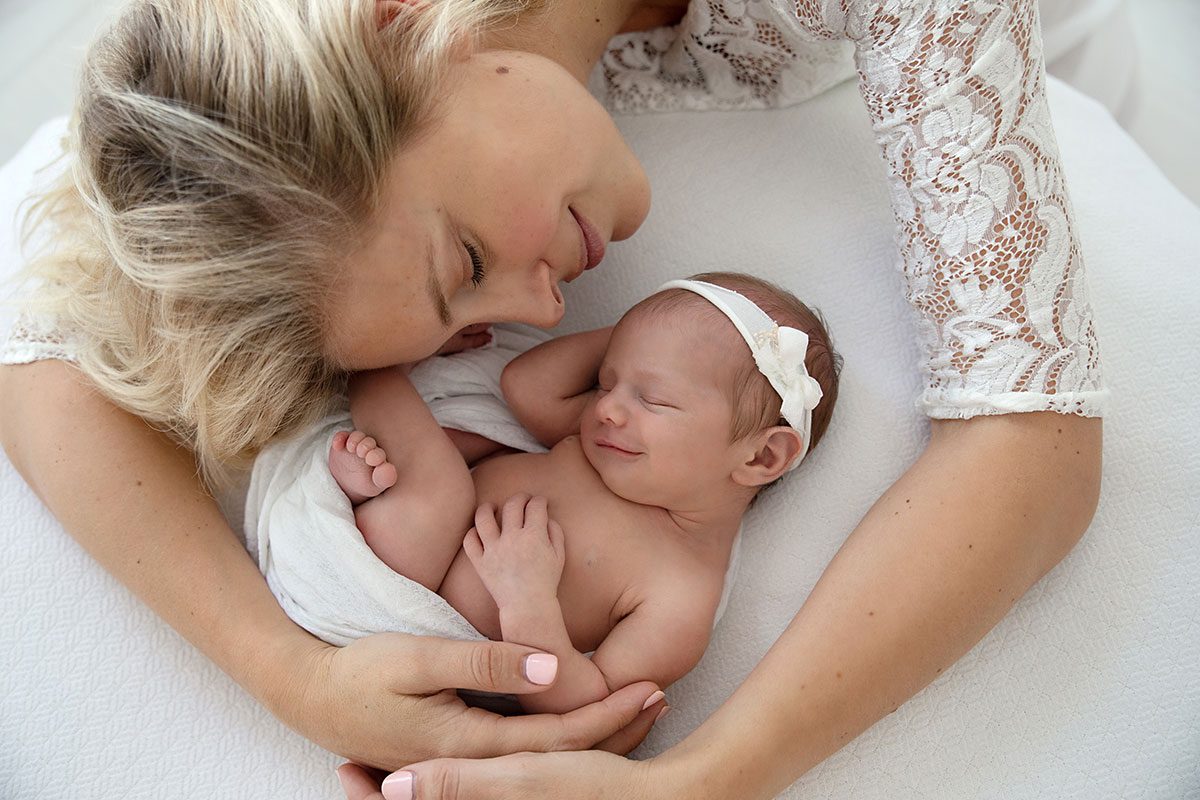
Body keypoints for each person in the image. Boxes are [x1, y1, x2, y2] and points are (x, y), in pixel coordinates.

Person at [0, 1, 1104, 799]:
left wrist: (707, 781)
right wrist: (294, 674)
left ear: (401, 23)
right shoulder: (254, 111)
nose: (539, 310)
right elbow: (38, 351)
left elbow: (1036, 444)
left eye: (467, 253)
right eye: (464, 326)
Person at [296, 273, 837, 715]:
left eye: (654, 398)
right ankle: (365, 480)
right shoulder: (601, 446)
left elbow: (590, 703)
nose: (607, 407)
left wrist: (528, 602)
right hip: (399, 537)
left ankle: (368, 365)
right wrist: (646, 335)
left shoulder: (681, 597)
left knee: (440, 493)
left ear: (762, 457)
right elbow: (524, 387)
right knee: (449, 460)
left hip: (408, 596)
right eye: (605, 381)